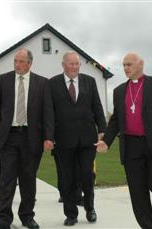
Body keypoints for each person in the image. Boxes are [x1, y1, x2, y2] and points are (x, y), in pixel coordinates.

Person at [95, 53, 152, 229]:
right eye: (123, 65)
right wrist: (107, 141)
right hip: (131, 148)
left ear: (141, 64)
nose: (125, 68)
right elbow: (116, 120)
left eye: (129, 64)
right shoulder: (119, 91)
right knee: (138, 194)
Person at [0, 48, 54, 229]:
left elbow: (48, 112)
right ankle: (2, 220)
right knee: (6, 180)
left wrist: (49, 137)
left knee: (28, 180)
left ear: (30, 63)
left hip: (32, 138)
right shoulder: (3, 80)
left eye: (21, 61)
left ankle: (27, 217)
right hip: (8, 138)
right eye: (15, 61)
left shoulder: (42, 83)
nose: (17, 64)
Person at [48, 51, 106, 226]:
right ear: (63, 64)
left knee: (87, 176)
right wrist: (49, 136)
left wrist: (102, 130)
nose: (74, 67)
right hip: (63, 141)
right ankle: (71, 214)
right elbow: (49, 112)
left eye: (77, 64)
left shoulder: (90, 81)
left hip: (87, 140)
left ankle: (90, 208)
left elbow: (97, 107)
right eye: (71, 64)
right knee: (67, 178)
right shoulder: (53, 84)